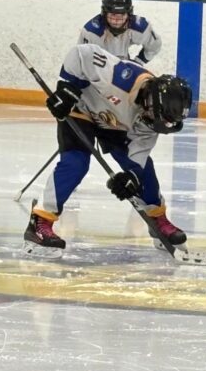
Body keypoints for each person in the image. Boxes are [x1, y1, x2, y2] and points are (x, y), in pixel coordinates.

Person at [23, 43, 192, 257]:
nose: (155, 125)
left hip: (115, 124)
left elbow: (137, 156)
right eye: (155, 118)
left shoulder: (153, 120)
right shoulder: (120, 76)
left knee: (144, 171)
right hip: (81, 110)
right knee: (75, 164)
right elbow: (81, 53)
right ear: (149, 101)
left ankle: (157, 218)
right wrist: (66, 87)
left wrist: (131, 177)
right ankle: (40, 221)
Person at [78, 0, 162, 65]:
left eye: (121, 15)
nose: (116, 21)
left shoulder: (140, 27)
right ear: (104, 13)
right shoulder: (92, 32)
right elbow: (81, 58)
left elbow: (154, 45)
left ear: (129, 14)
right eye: (112, 15)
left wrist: (138, 62)